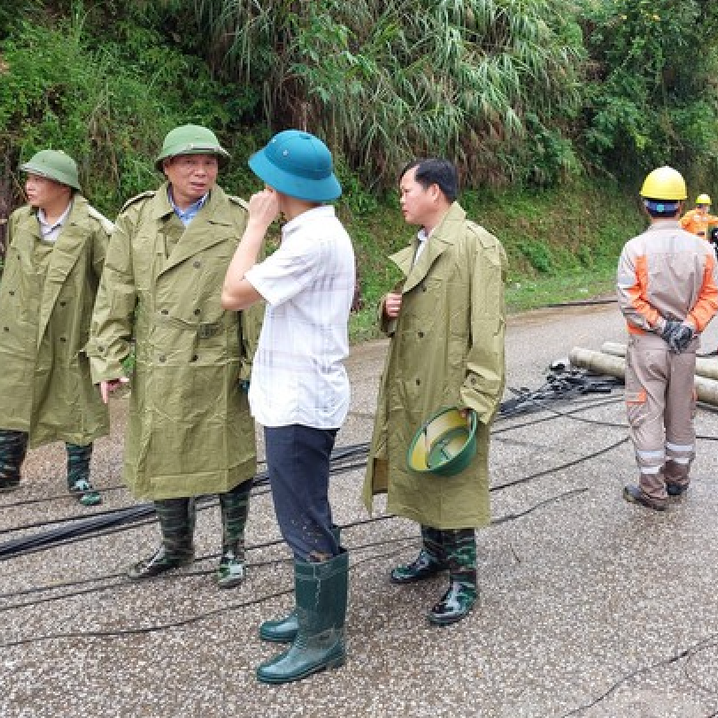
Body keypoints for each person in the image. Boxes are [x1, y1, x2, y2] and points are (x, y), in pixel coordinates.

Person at [88, 124, 260, 587]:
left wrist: (253, 362)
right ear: (167, 167)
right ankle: (176, 547)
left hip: (217, 354)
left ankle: (232, 551)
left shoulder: (239, 217)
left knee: (227, 456)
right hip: (160, 356)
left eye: (210, 163)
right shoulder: (136, 218)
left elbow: (253, 295)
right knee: (162, 452)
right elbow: (116, 290)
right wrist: (107, 358)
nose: (201, 172)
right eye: (190, 163)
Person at [220, 129, 355, 684]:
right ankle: (309, 614)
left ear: (281, 185)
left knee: (303, 519)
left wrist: (253, 226)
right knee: (305, 511)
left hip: (300, 401)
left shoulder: (309, 241)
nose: (260, 190)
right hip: (298, 393)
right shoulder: (312, 230)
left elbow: (232, 292)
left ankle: (321, 639)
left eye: (266, 182)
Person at [361, 158, 507, 627]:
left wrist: (476, 398)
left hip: (449, 386)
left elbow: (488, 329)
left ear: (435, 192)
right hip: (411, 380)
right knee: (420, 469)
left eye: (407, 190)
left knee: (453, 481)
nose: (401, 199)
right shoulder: (421, 244)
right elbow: (407, 312)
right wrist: (387, 308)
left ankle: (464, 580)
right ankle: (433, 554)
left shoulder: (475, 245)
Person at [0, 150, 113, 506]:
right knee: (11, 394)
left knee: (73, 396)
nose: (29, 186)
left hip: (69, 330)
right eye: (28, 178)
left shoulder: (91, 229)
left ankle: (78, 477)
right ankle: (5, 472)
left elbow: (112, 284)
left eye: (38, 179)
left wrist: (107, 337)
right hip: (20, 330)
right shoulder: (20, 220)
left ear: (62, 186)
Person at [616, 166, 718, 511]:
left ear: (646, 204)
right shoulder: (703, 249)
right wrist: (687, 326)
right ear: (682, 205)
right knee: (680, 412)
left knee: (646, 413)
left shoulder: (635, 249)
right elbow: (711, 296)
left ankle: (652, 489)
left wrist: (662, 327)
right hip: (685, 346)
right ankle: (677, 479)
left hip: (649, 346)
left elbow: (630, 300)